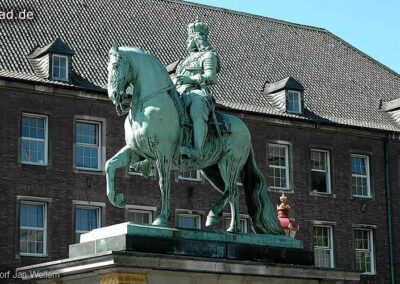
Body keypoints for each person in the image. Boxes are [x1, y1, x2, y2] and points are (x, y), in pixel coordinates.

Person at [173, 19, 221, 160]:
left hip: (196, 91)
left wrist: (191, 79)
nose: (186, 42)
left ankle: (197, 150)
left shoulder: (208, 56)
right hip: (178, 90)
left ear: (197, 39)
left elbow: (211, 77)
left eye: (189, 38)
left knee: (197, 109)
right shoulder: (184, 60)